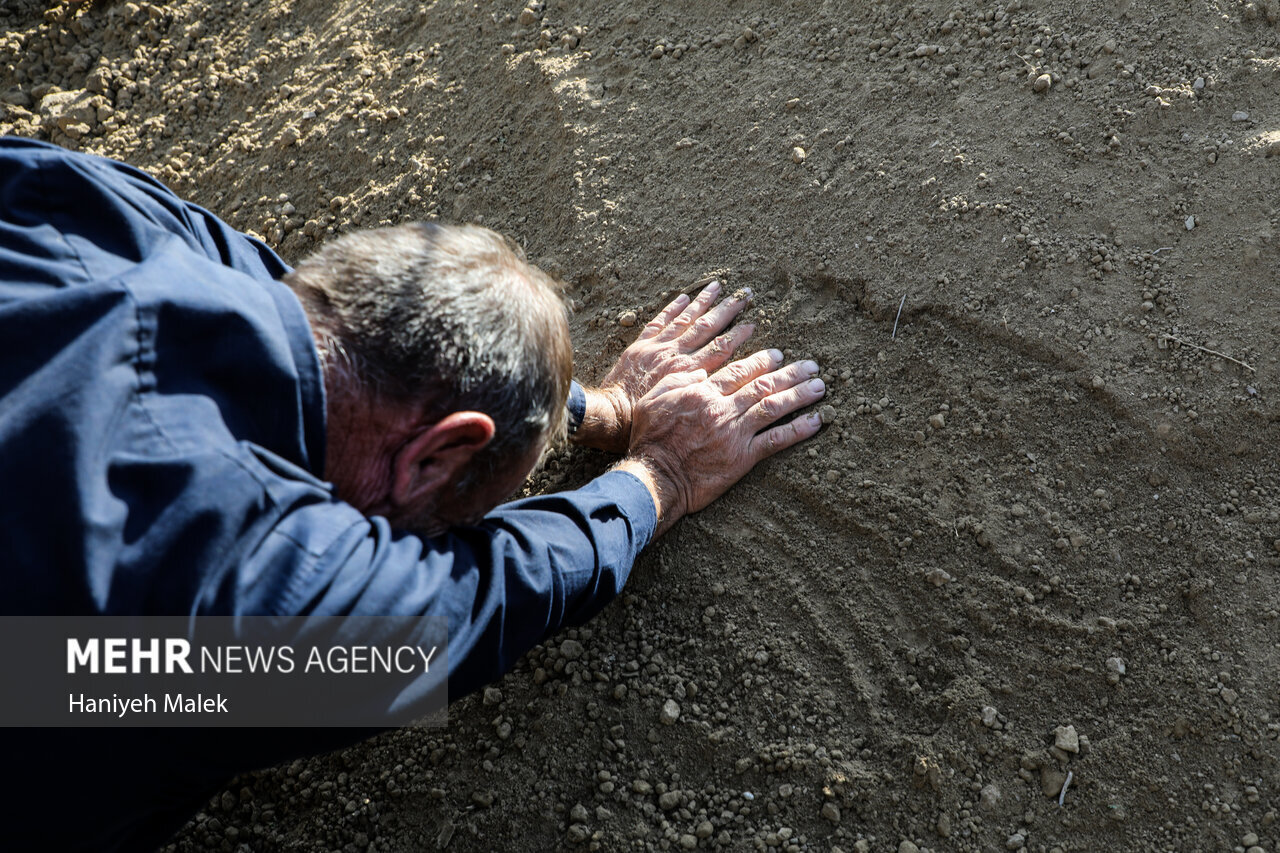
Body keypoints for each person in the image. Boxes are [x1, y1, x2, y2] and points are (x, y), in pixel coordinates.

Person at [0, 136, 826, 851]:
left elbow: (279, 286)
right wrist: (663, 474)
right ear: (435, 456)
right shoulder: (242, 601)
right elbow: (479, 602)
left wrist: (588, 409)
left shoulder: (69, 199)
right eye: (455, 514)